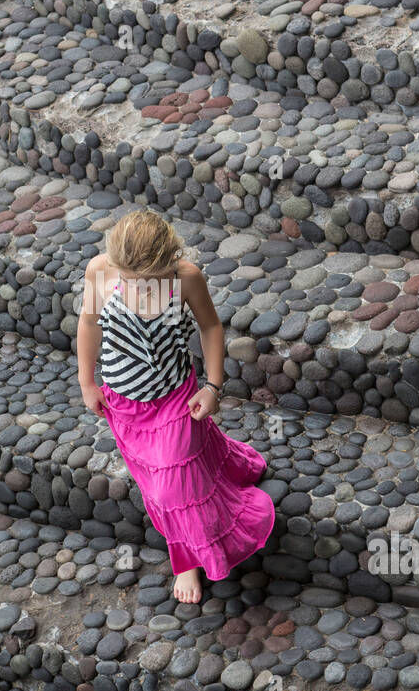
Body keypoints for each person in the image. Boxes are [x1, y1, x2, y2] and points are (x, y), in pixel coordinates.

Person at [77, 208, 275, 604]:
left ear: (168, 262)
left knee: (170, 489)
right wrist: (86, 381)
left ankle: (185, 560)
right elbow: (89, 323)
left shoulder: (186, 278)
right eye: (130, 279)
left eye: (148, 280)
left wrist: (213, 386)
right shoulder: (100, 271)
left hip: (174, 396)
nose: (139, 286)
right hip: (124, 402)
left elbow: (211, 327)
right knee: (155, 478)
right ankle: (231, 473)